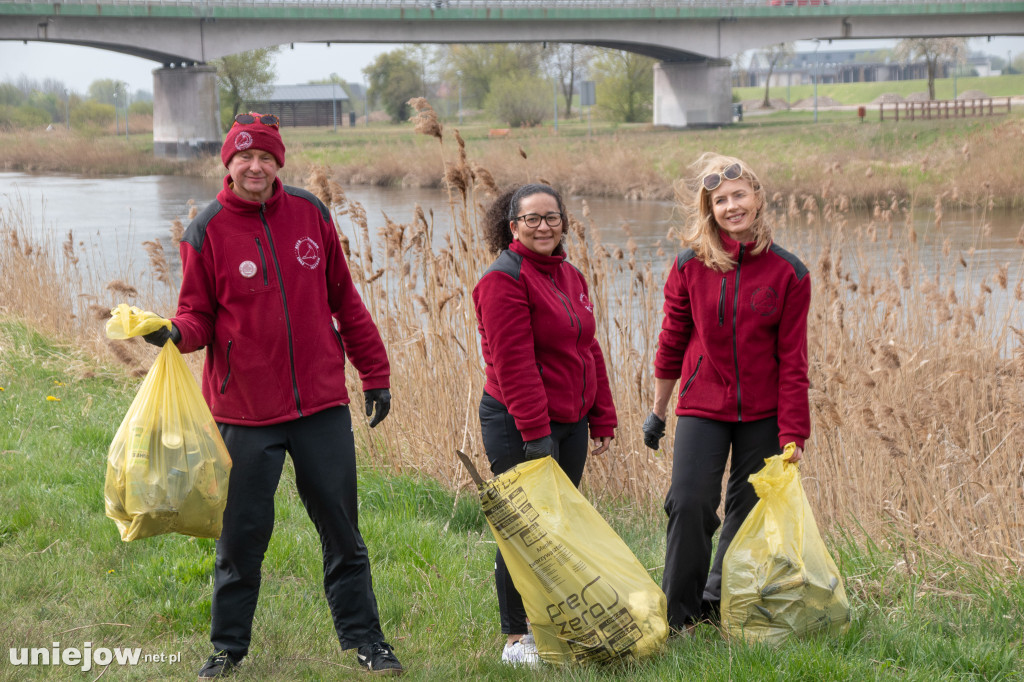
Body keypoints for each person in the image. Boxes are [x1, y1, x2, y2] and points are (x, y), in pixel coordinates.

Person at [143, 112, 404, 678]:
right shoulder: (206, 230)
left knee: (342, 532)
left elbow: (346, 300)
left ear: (278, 161)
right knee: (241, 539)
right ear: (229, 165)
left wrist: (374, 372)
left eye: (265, 156)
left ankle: (368, 642)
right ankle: (228, 649)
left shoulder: (310, 212)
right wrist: (172, 334)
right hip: (244, 413)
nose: (255, 166)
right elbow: (198, 315)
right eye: (244, 157)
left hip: (321, 407)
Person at [642, 153, 811, 635]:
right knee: (689, 502)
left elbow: (794, 360)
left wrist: (794, 431)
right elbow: (671, 340)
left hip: (763, 411)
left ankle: (716, 603)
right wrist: (657, 411)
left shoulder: (789, 273)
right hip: (702, 405)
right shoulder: (689, 266)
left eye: (740, 195)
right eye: (721, 200)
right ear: (708, 208)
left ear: (757, 198)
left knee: (745, 510)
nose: (732, 206)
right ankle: (679, 618)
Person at [472, 183, 617, 666]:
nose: (542, 227)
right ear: (513, 227)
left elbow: (587, 347)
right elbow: (514, 365)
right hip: (519, 422)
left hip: (571, 421)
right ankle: (516, 638)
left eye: (551, 217)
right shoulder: (503, 279)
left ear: (563, 223)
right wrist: (536, 434)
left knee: (554, 527)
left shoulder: (569, 275)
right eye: (531, 219)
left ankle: (550, 623)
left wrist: (602, 416)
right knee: (523, 529)